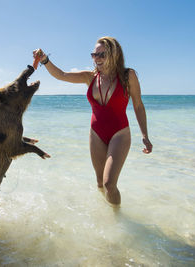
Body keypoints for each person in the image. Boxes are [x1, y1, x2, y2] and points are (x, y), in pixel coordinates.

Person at [33, 36, 153, 205]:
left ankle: (118, 219)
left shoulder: (128, 76)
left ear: (114, 54)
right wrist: (45, 60)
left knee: (109, 184)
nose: (97, 59)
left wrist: (145, 135)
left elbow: (138, 105)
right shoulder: (90, 77)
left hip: (120, 133)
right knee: (99, 183)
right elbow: (61, 75)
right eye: (94, 55)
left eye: (101, 55)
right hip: (96, 134)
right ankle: (104, 215)